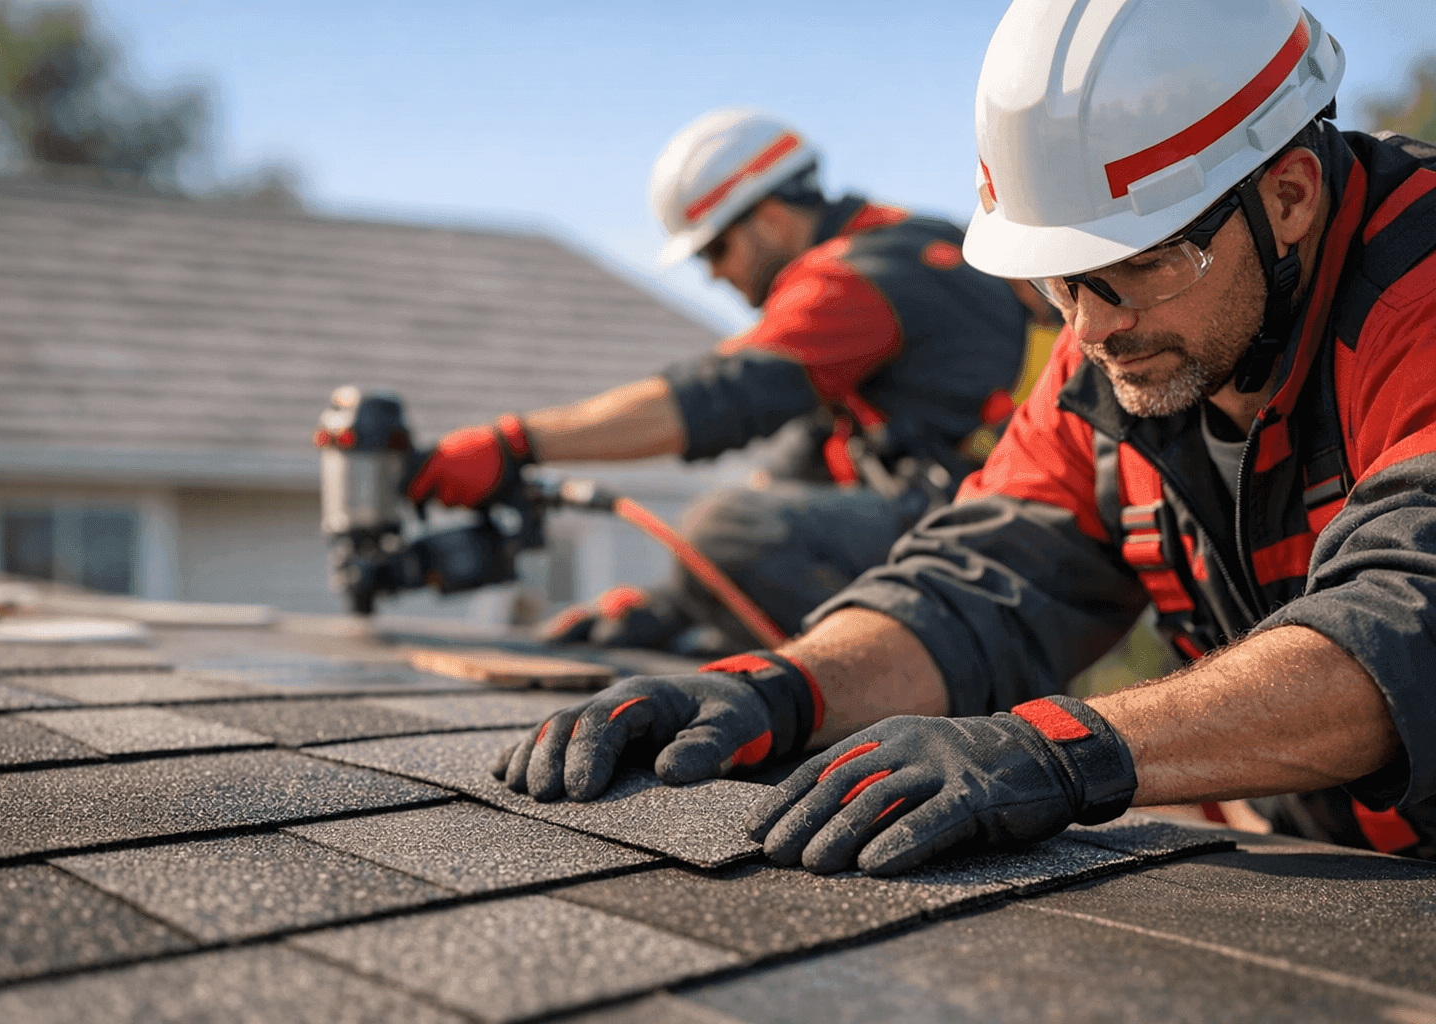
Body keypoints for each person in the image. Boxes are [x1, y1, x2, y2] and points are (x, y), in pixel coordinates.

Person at [492, 0, 1436, 872]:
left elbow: (1409, 629)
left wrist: (1060, 751)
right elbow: (977, 584)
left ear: (1290, 197)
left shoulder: (1417, 294)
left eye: (1138, 267)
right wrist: (783, 689)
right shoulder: (1112, 361)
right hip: (1342, 868)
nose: (1091, 330)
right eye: (1061, 281)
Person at [408, 108, 1047, 655]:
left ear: (769, 218)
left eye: (715, 250)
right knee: (749, 513)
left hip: (981, 543)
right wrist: (670, 606)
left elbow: (722, 396)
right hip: (990, 535)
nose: (714, 277)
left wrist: (515, 444)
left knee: (726, 525)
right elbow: (805, 472)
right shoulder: (908, 244)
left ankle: (874, 683)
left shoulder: (852, 276)